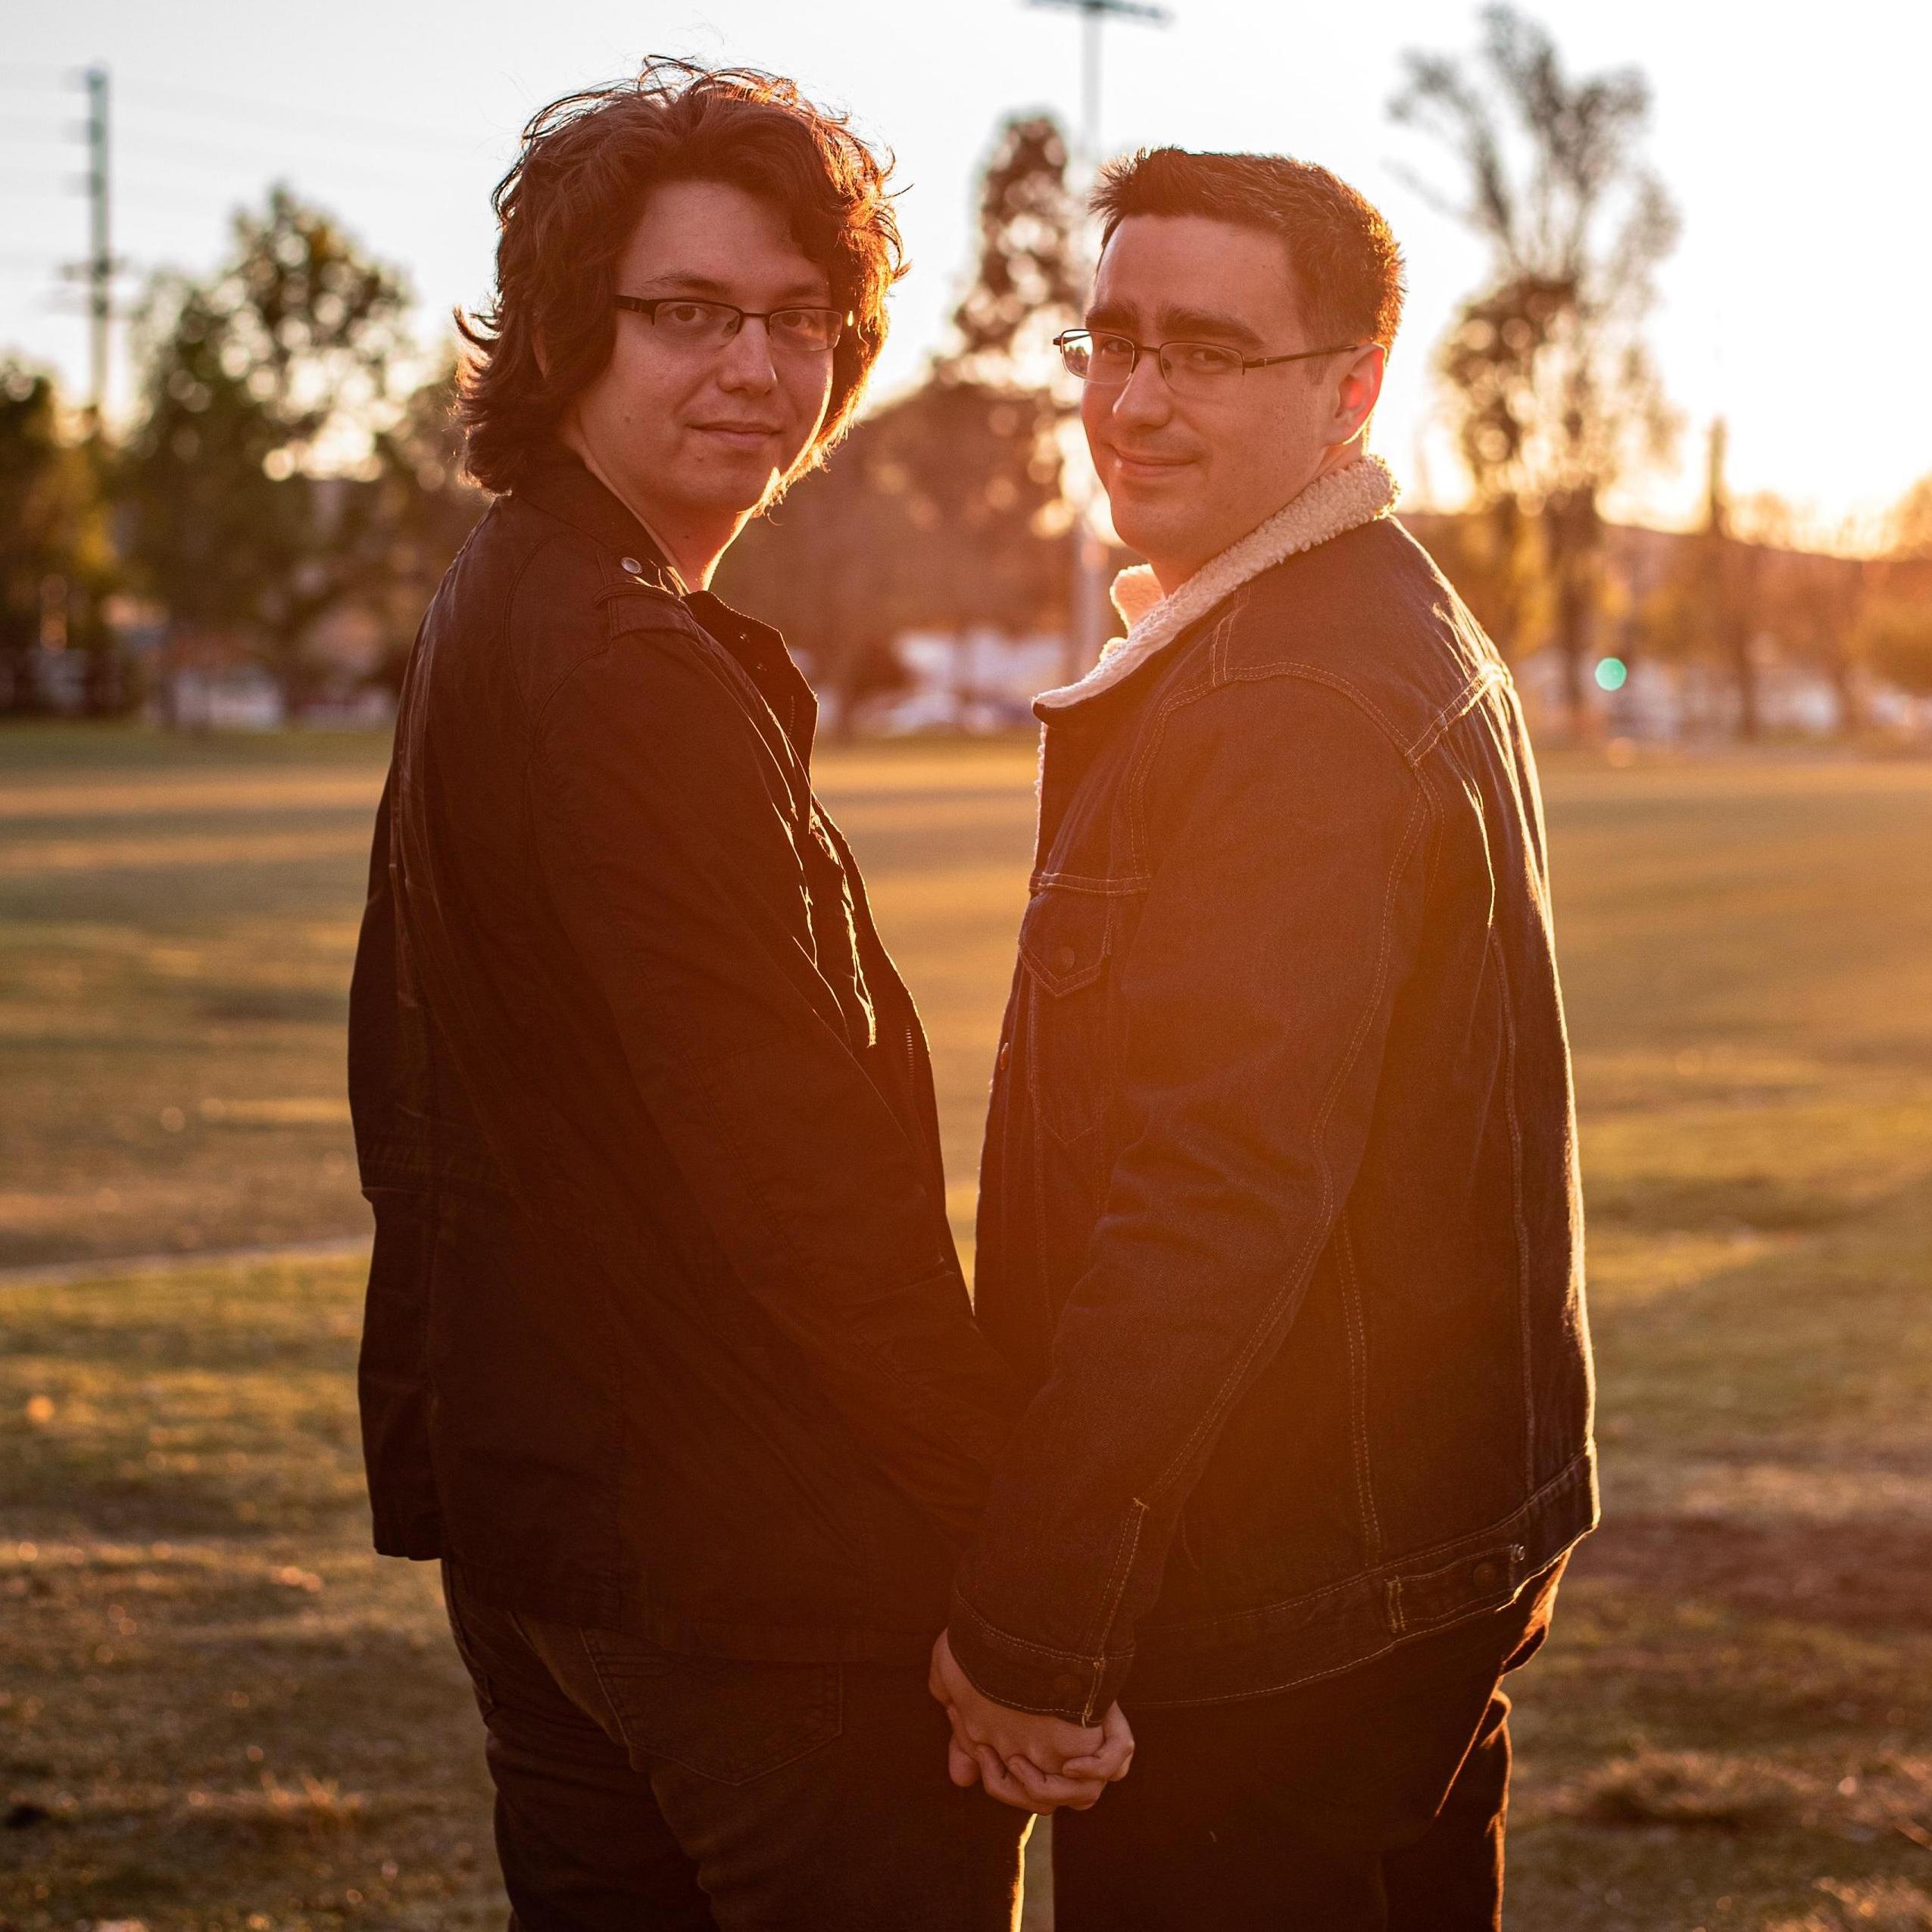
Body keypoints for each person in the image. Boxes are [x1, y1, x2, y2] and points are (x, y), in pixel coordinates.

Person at [348, 60, 1123, 1931]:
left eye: (798, 322)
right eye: (687, 313)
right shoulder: (616, 661)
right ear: (564, 330)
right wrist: (1010, 1571)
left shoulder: (515, 589)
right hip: (745, 1582)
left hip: (556, 1536)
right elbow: (796, 1179)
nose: (753, 371)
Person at [929, 148, 1598, 1929]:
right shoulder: (1347, 618)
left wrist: (1031, 1619)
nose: (1134, 400)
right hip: (1402, 1566)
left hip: (1288, 1601)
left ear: (1352, 385)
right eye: (1112, 340)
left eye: (1208, 352)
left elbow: (1215, 1192)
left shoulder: (1294, 687)